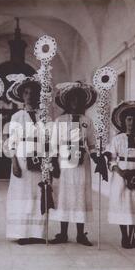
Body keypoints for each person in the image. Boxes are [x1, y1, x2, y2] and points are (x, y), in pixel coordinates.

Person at [49, 82, 98, 246]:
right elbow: (54, 144)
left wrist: (97, 158)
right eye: (72, 99)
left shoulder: (87, 121)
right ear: (68, 102)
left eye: (79, 99)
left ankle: (80, 234)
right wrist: (54, 163)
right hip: (64, 163)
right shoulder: (60, 121)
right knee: (65, 195)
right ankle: (62, 233)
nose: (75, 102)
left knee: (80, 195)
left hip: (82, 164)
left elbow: (91, 144)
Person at [5, 74, 47, 245]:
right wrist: (14, 162)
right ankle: (22, 233)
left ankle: (37, 233)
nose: (30, 96)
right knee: (22, 194)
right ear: (22, 96)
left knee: (38, 193)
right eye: (26, 93)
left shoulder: (43, 116)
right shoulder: (17, 117)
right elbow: (10, 143)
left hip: (39, 158)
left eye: (33, 93)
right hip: (22, 158)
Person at [107, 101, 135, 249]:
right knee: (122, 204)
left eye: (134, 119)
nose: (131, 122)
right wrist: (121, 173)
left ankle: (132, 237)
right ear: (123, 120)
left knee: (134, 204)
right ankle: (124, 237)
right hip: (122, 173)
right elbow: (112, 160)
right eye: (128, 119)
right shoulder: (117, 139)